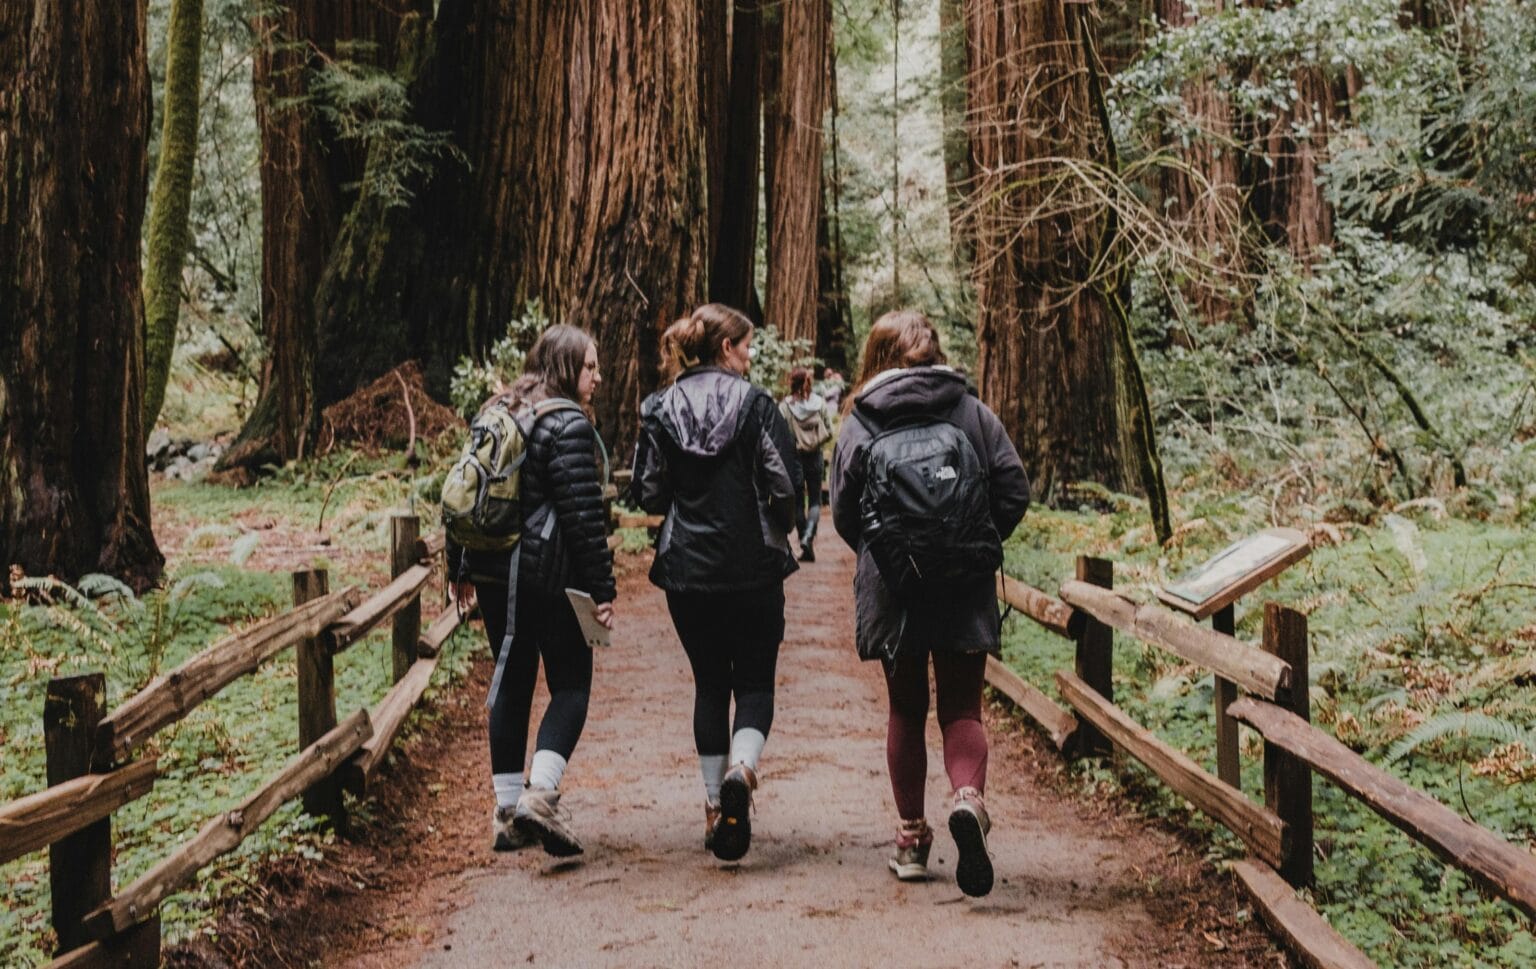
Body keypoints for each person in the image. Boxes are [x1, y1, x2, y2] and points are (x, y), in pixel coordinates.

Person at [829, 310, 1029, 897]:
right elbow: (1013, 489)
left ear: (878, 357)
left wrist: (887, 557)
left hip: (896, 592)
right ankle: (967, 801)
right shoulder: (971, 410)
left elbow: (843, 512)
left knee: (906, 709)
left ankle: (912, 841)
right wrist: (972, 548)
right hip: (964, 586)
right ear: (935, 351)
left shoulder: (862, 420)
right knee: (963, 708)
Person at [631, 303, 801, 862]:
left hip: (687, 571)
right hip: (753, 568)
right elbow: (786, 482)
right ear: (726, 349)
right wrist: (782, 521)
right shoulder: (757, 406)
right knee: (754, 684)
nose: (751, 356)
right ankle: (743, 771)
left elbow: (650, 493)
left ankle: (714, 806)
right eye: (747, 346)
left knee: (709, 683)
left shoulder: (657, 408)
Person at [448, 324, 616, 857]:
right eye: (590, 367)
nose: (597, 377)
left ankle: (505, 814)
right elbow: (582, 516)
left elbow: (465, 486)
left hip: (497, 571)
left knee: (512, 677)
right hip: (548, 575)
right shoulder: (565, 423)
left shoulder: (500, 407)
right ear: (567, 366)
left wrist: (460, 563)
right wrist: (602, 586)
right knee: (571, 684)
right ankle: (539, 796)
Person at [779, 367, 835, 561]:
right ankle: (809, 538)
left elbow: (781, 435)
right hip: (815, 457)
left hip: (795, 459)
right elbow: (829, 429)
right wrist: (815, 442)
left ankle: (805, 540)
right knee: (814, 500)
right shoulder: (819, 403)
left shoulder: (785, 407)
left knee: (797, 501)